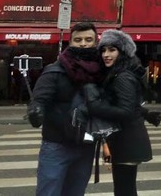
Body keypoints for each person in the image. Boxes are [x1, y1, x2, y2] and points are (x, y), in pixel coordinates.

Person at [28, 22, 104, 196]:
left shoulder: (101, 72)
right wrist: (36, 110)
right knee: (49, 192)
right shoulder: (54, 71)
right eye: (78, 40)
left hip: (86, 145)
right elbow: (40, 98)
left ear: (95, 42)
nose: (83, 43)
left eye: (88, 39)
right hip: (57, 144)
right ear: (70, 43)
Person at [83, 29, 153, 196]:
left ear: (123, 52)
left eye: (112, 50)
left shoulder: (122, 77)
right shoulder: (118, 73)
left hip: (127, 141)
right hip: (125, 140)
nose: (106, 54)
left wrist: (94, 107)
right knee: (124, 188)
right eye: (104, 50)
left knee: (124, 189)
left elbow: (125, 111)